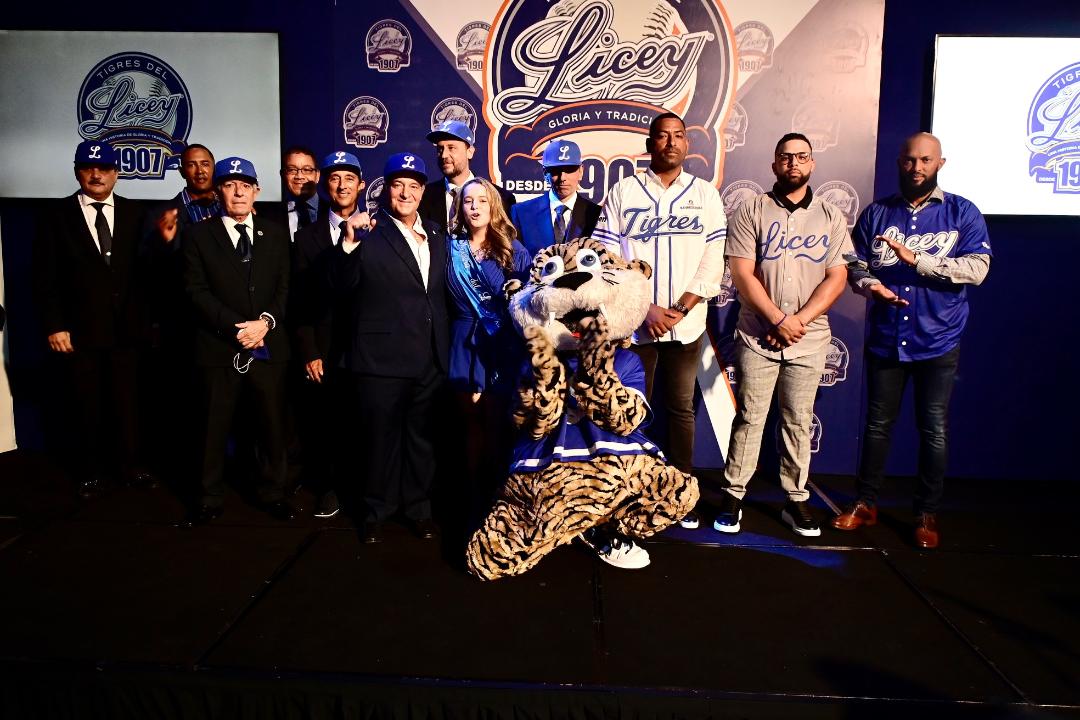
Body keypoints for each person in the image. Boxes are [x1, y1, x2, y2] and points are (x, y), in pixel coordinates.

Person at [833, 132, 991, 549]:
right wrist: (871, 286)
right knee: (876, 426)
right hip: (888, 337)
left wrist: (917, 259)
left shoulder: (962, 212)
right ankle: (865, 503)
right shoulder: (877, 213)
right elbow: (853, 263)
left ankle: (926, 513)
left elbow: (978, 269)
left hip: (939, 338)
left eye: (925, 160)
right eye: (909, 160)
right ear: (899, 162)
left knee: (933, 428)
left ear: (940, 163)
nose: (916, 167)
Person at [591, 111, 726, 529]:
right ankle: (630, 492)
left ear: (687, 143)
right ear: (649, 144)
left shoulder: (705, 195)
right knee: (632, 410)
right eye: (662, 136)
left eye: (678, 135)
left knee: (681, 409)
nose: (670, 142)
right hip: (635, 324)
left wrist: (680, 308)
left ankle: (680, 494)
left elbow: (713, 261)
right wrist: (644, 307)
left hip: (686, 323)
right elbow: (604, 257)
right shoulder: (623, 191)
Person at [715, 133, 852, 537]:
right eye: (786, 157)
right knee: (750, 417)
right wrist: (777, 319)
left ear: (812, 163)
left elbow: (837, 276)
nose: (793, 163)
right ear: (774, 164)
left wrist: (798, 321)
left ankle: (795, 499)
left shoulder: (831, 216)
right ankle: (733, 494)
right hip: (757, 335)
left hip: (808, 339)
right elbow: (741, 272)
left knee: (798, 420)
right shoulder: (751, 209)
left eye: (801, 157)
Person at [329, 153, 449, 544]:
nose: (406, 193)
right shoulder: (368, 230)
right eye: (398, 185)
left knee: (422, 443)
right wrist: (349, 244)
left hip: (431, 358)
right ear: (386, 189)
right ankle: (376, 512)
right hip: (381, 360)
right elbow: (340, 288)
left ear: (423, 192)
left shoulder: (438, 235)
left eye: (414, 186)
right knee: (379, 442)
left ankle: (419, 510)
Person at [32, 140, 152, 496]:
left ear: (117, 173)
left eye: (104, 169)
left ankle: (129, 467)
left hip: (126, 330)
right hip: (79, 330)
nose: (96, 175)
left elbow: (145, 273)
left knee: (127, 403)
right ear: (77, 172)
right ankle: (89, 471)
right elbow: (44, 277)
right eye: (88, 168)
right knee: (85, 404)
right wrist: (55, 325)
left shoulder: (136, 213)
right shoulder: (56, 215)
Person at [182, 156, 295, 525]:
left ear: (256, 191)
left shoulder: (275, 234)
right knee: (212, 428)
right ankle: (209, 496)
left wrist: (265, 323)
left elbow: (285, 286)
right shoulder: (199, 235)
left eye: (245, 186)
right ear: (218, 192)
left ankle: (273, 492)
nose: (238, 193)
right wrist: (237, 328)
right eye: (230, 186)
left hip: (267, 344)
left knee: (271, 426)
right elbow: (195, 291)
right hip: (218, 348)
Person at [291, 151, 368, 519]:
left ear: (361, 185)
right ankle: (330, 488)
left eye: (349, 178)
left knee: (366, 421)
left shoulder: (379, 231)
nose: (342, 185)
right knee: (326, 424)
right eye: (335, 178)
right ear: (325, 185)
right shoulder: (307, 238)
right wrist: (309, 350)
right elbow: (299, 300)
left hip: (369, 345)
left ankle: (364, 489)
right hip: (325, 345)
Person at [446, 177, 531, 509]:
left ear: (493, 206)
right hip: (461, 343)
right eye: (468, 201)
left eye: (482, 200)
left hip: (501, 346)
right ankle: (471, 496)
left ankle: (500, 498)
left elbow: (530, 301)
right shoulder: (449, 249)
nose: (475, 207)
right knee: (468, 425)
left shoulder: (514, 249)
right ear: (460, 208)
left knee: (498, 423)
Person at [418, 120, 516, 233]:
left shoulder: (502, 198)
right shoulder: (423, 197)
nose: (444, 155)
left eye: (451, 148)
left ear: (470, 152)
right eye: (440, 149)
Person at [510, 139, 601, 255]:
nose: (562, 178)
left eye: (569, 170)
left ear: (581, 171)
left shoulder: (596, 214)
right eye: (555, 170)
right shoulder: (521, 213)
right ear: (545, 173)